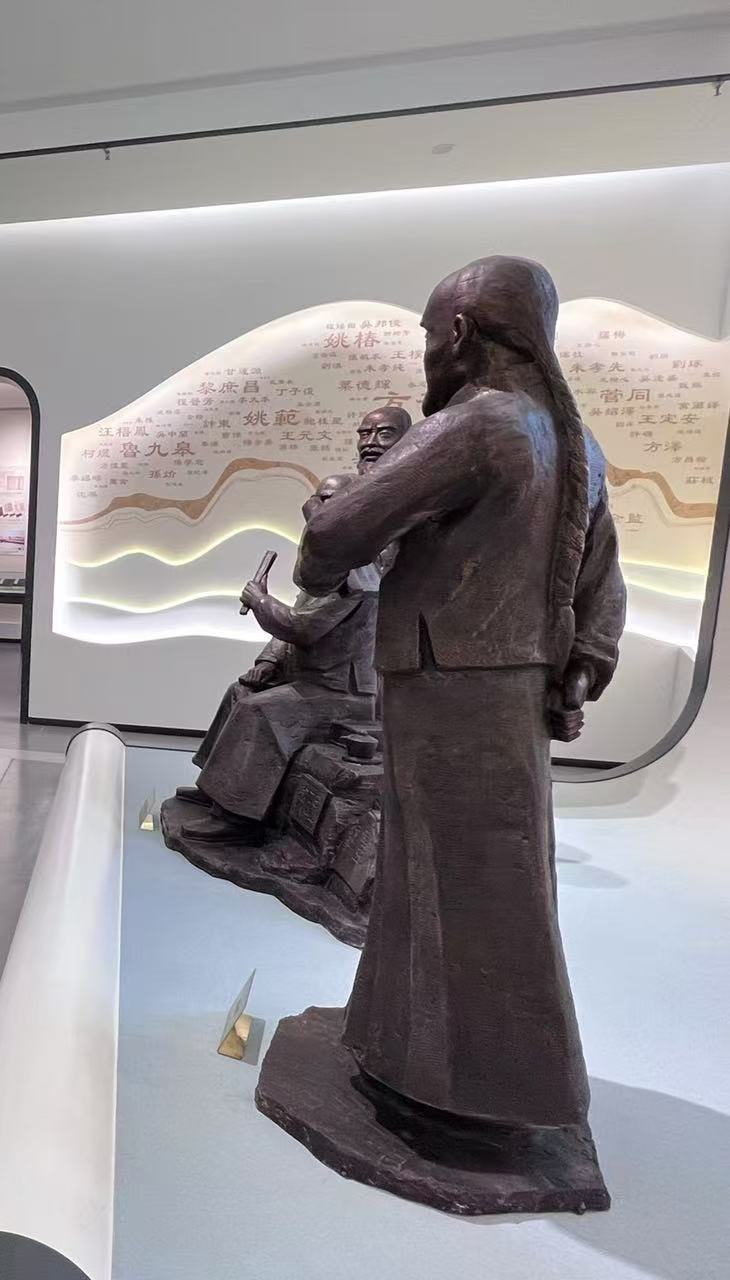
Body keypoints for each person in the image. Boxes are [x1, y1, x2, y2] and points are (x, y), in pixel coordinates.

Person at [295, 256, 626, 1131]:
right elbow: (603, 581)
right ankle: (414, 1055)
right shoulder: (577, 443)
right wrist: (584, 663)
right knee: (486, 877)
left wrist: (319, 542)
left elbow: (334, 536)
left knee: (453, 883)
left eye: (428, 334)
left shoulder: (478, 425)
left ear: (462, 332)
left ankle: (464, 1087)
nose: (426, 352)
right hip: (512, 690)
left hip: (449, 687)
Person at [176, 475, 379, 842]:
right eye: (318, 500)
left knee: (260, 711)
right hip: (309, 680)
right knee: (239, 692)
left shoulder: (358, 577)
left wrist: (260, 601)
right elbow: (293, 625)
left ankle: (237, 817)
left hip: (341, 692)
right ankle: (213, 790)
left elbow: (301, 627)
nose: (318, 509)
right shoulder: (328, 568)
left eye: (330, 501)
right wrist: (268, 663)